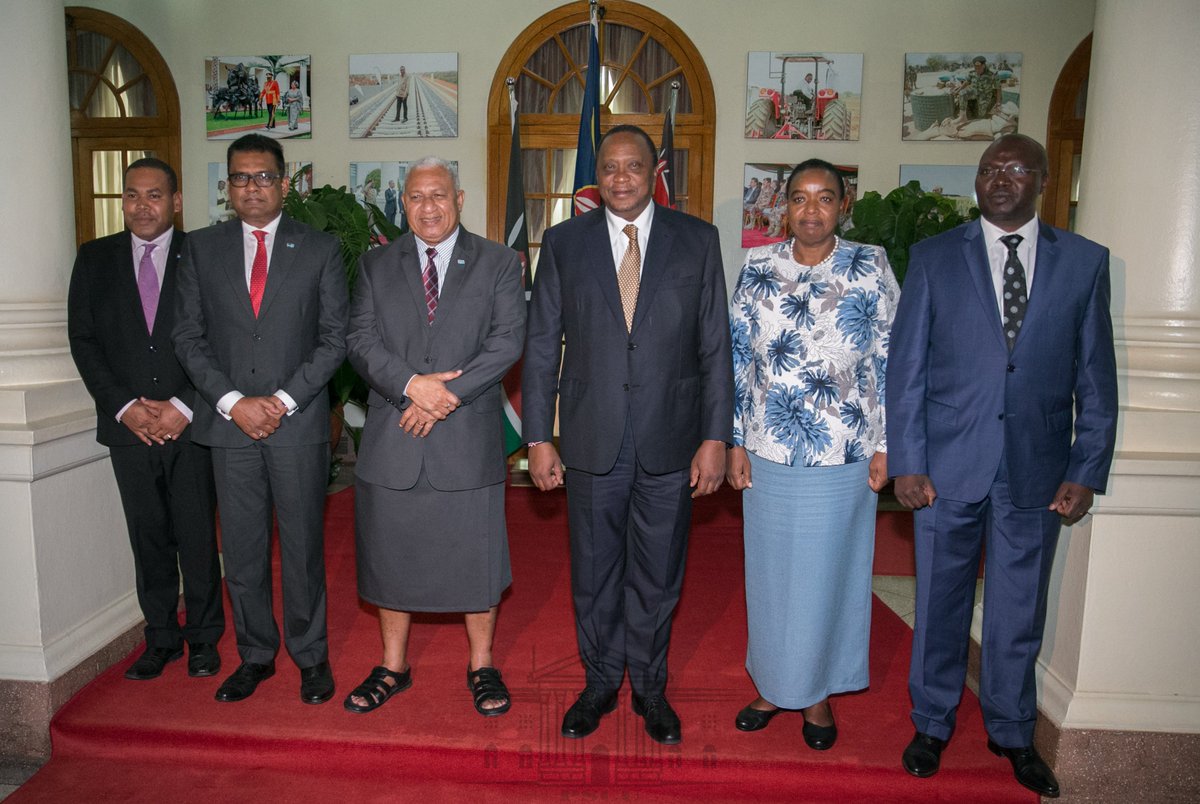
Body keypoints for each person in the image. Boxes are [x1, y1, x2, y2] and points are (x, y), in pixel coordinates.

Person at [887, 134, 1117, 798]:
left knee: (1019, 609)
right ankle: (931, 722)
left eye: (1015, 168)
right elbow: (906, 373)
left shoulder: (1083, 263)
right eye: (989, 168)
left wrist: (1085, 466)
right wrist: (908, 460)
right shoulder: (934, 258)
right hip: (946, 466)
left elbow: (1096, 379)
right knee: (938, 602)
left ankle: (1013, 732)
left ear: (1043, 179)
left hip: (1037, 469)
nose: (1000, 178)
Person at [523, 125, 733, 745]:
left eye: (632, 166)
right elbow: (540, 347)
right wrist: (538, 436)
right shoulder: (563, 243)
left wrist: (715, 436)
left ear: (653, 172)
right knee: (592, 571)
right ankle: (598, 683)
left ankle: (650, 686)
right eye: (609, 166)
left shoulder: (698, 242)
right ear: (597, 172)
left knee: (659, 574)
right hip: (590, 440)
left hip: (673, 439)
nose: (620, 178)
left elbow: (715, 346)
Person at [342, 157, 525, 717]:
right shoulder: (376, 265)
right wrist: (411, 386)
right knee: (390, 558)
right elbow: (360, 339)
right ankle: (392, 667)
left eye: (439, 195)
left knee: (475, 559)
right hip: (393, 437)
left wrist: (445, 395)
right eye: (417, 196)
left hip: (465, 440)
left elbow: (508, 341)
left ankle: (482, 665)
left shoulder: (498, 262)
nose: (428, 206)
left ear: (460, 198)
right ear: (404, 203)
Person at [726, 159, 898, 751]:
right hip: (769, 449)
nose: (811, 209)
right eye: (799, 198)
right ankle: (774, 684)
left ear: (843, 205)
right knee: (771, 576)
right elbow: (736, 357)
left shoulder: (869, 264)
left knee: (830, 574)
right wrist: (734, 440)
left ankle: (817, 690)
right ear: (784, 206)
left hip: (844, 449)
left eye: (825, 198)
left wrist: (885, 444)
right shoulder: (756, 267)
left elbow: (890, 359)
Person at [173, 133, 349, 705]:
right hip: (229, 427)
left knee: (301, 547)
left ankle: (310, 655)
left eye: (264, 177)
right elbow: (188, 338)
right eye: (241, 178)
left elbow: (332, 340)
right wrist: (232, 403)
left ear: (285, 181)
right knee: (243, 550)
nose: (253, 187)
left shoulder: (319, 249)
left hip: (295, 424)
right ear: (227, 186)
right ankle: (254, 655)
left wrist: (281, 402)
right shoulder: (200, 248)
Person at [68, 158, 224, 683]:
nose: (142, 206)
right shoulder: (94, 260)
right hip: (127, 428)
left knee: (198, 536)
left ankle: (204, 639)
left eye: (154, 195)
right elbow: (84, 342)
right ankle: (160, 638)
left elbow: (219, 339)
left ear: (176, 202)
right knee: (148, 537)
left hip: (193, 424)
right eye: (132, 196)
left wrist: (184, 406)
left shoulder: (203, 255)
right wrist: (125, 407)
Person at [957, 56, 1000, 121]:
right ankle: (962, 116)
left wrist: (998, 102)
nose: (977, 69)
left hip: (985, 94)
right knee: (962, 93)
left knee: (981, 115)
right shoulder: (972, 72)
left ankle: (980, 121)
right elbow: (967, 82)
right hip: (974, 91)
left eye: (979, 67)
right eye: (975, 67)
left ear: (984, 65)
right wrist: (959, 89)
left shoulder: (993, 74)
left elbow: (998, 88)